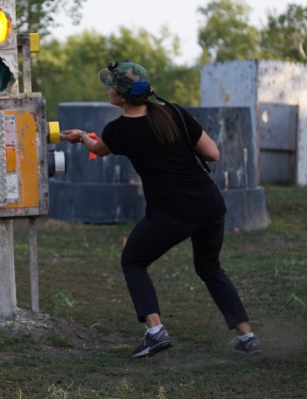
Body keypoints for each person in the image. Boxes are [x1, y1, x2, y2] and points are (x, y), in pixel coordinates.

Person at [61, 59, 261, 359]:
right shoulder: (174, 112)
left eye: (110, 86)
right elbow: (213, 153)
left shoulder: (118, 130)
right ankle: (247, 337)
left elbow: (97, 149)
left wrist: (81, 137)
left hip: (174, 212)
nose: (107, 89)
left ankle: (155, 332)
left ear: (121, 96)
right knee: (210, 268)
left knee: (133, 260)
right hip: (210, 203)